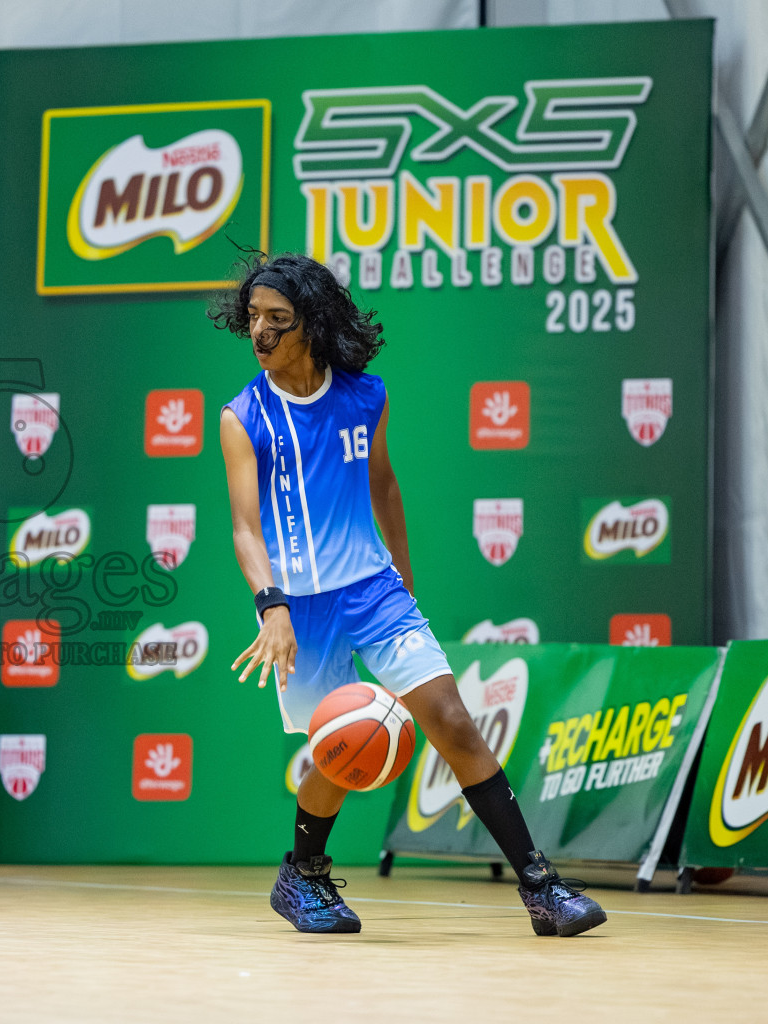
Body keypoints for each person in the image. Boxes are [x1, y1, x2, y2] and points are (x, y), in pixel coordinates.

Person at [213, 252, 606, 937]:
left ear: (312, 321)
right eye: (253, 319)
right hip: (302, 610)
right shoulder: (243, 416)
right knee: (340, 754)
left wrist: (404, 573)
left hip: (373, 590)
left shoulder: (367, 396)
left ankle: (542, 887)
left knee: (452, 719)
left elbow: (383, 483)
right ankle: (301, 876)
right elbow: (245, 528)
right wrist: (270, 604)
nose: (260, 333)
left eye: (277, 319)